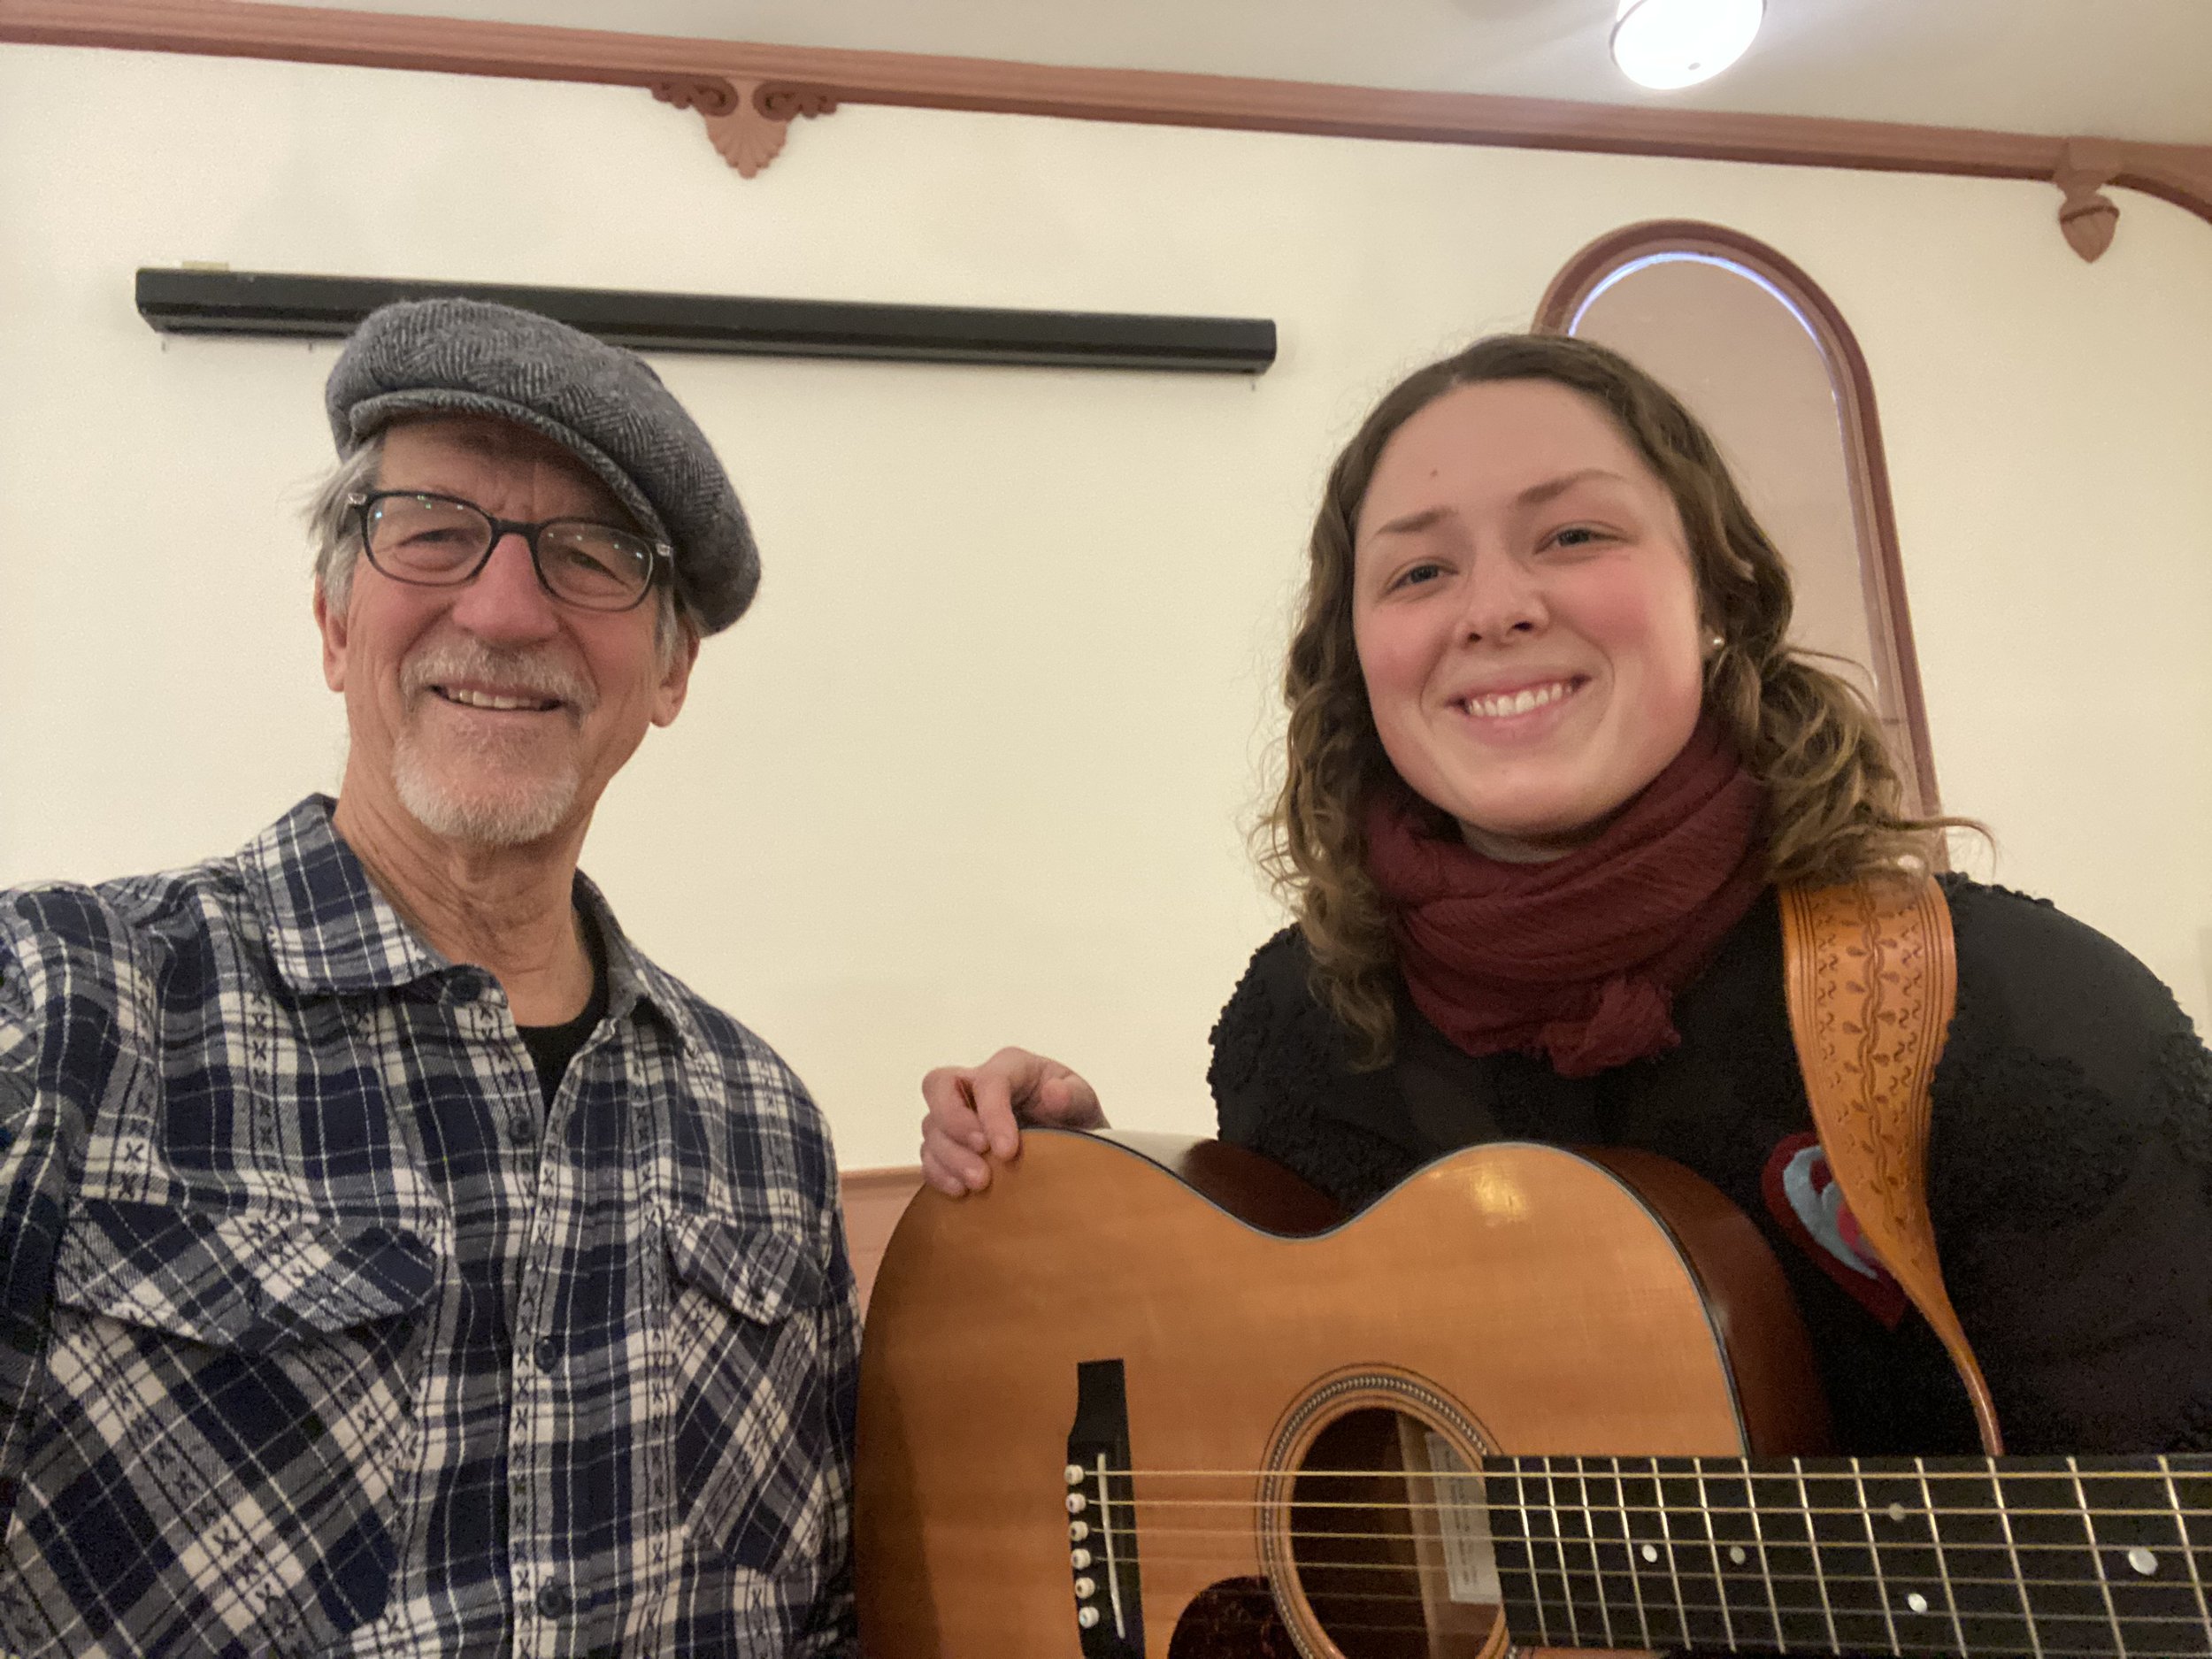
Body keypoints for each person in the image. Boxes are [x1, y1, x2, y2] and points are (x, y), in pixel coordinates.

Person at [919, 333, 2212, 1459]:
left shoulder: (2011, 1017)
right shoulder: (1304, 1019)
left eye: (1574, 535)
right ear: (1354, 656)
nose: (1495, 608)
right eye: (1420, 571)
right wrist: (1103, 1205)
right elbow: (1288, 1411)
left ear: (1713, 592)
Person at [0, 300, 856, 1656]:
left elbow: (831, 1615)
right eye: (436, 528)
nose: (506, 609)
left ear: (674, 668)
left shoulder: (768, 1132)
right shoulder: (53, 1013)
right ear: (337, 617)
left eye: (594, 552)